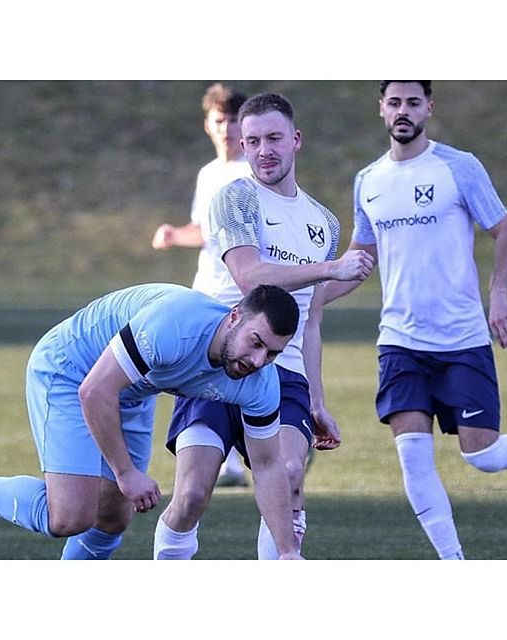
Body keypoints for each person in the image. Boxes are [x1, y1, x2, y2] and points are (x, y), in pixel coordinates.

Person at [319, 81, 507, 559]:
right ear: (381, 109)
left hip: (462, 338)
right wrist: (313, 299)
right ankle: (453, 561)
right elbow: (361, 256)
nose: (403, 111)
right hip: (399, 341)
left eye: (413, 103)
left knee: (481, 455)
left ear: (428, 109)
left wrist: (498, 293)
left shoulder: (459, 166)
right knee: (412, 457)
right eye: (394, 103)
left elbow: (503, 230)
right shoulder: (368, 181)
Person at [0, 282, 305, 560]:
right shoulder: (176, 324)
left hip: (131, 389)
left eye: (271, 353)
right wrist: (126, 472)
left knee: (113, 517)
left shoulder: (258, 382)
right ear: (234, 317)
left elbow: (269, 467)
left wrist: (286, 552)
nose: (257, 361)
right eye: (256, 343)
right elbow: (94, 391)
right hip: (71, 371)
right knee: (69, 517)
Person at [153, 92, 374, 560]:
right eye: (252, 141)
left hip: (283, 371)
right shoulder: (234, 198)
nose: (263, 150)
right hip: (218, 363)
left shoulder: (322, 222)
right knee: (191, 496)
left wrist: (317, 399)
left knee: (289, 474)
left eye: (274, 138)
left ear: (296, 140)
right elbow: (250, 277)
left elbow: (311, 319)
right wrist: (330, 269)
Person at [151, 82, 253, 487]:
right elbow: (205, 230)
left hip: (244, 291)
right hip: (206, 290)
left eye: (233, 120)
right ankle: (224, 462)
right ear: (207, 125)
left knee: (244, 369)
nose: (226, 128)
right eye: (219, 120)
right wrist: (176, 235)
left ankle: (275, 444)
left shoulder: (254, 172)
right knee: (205, 370)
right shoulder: (208, 174)